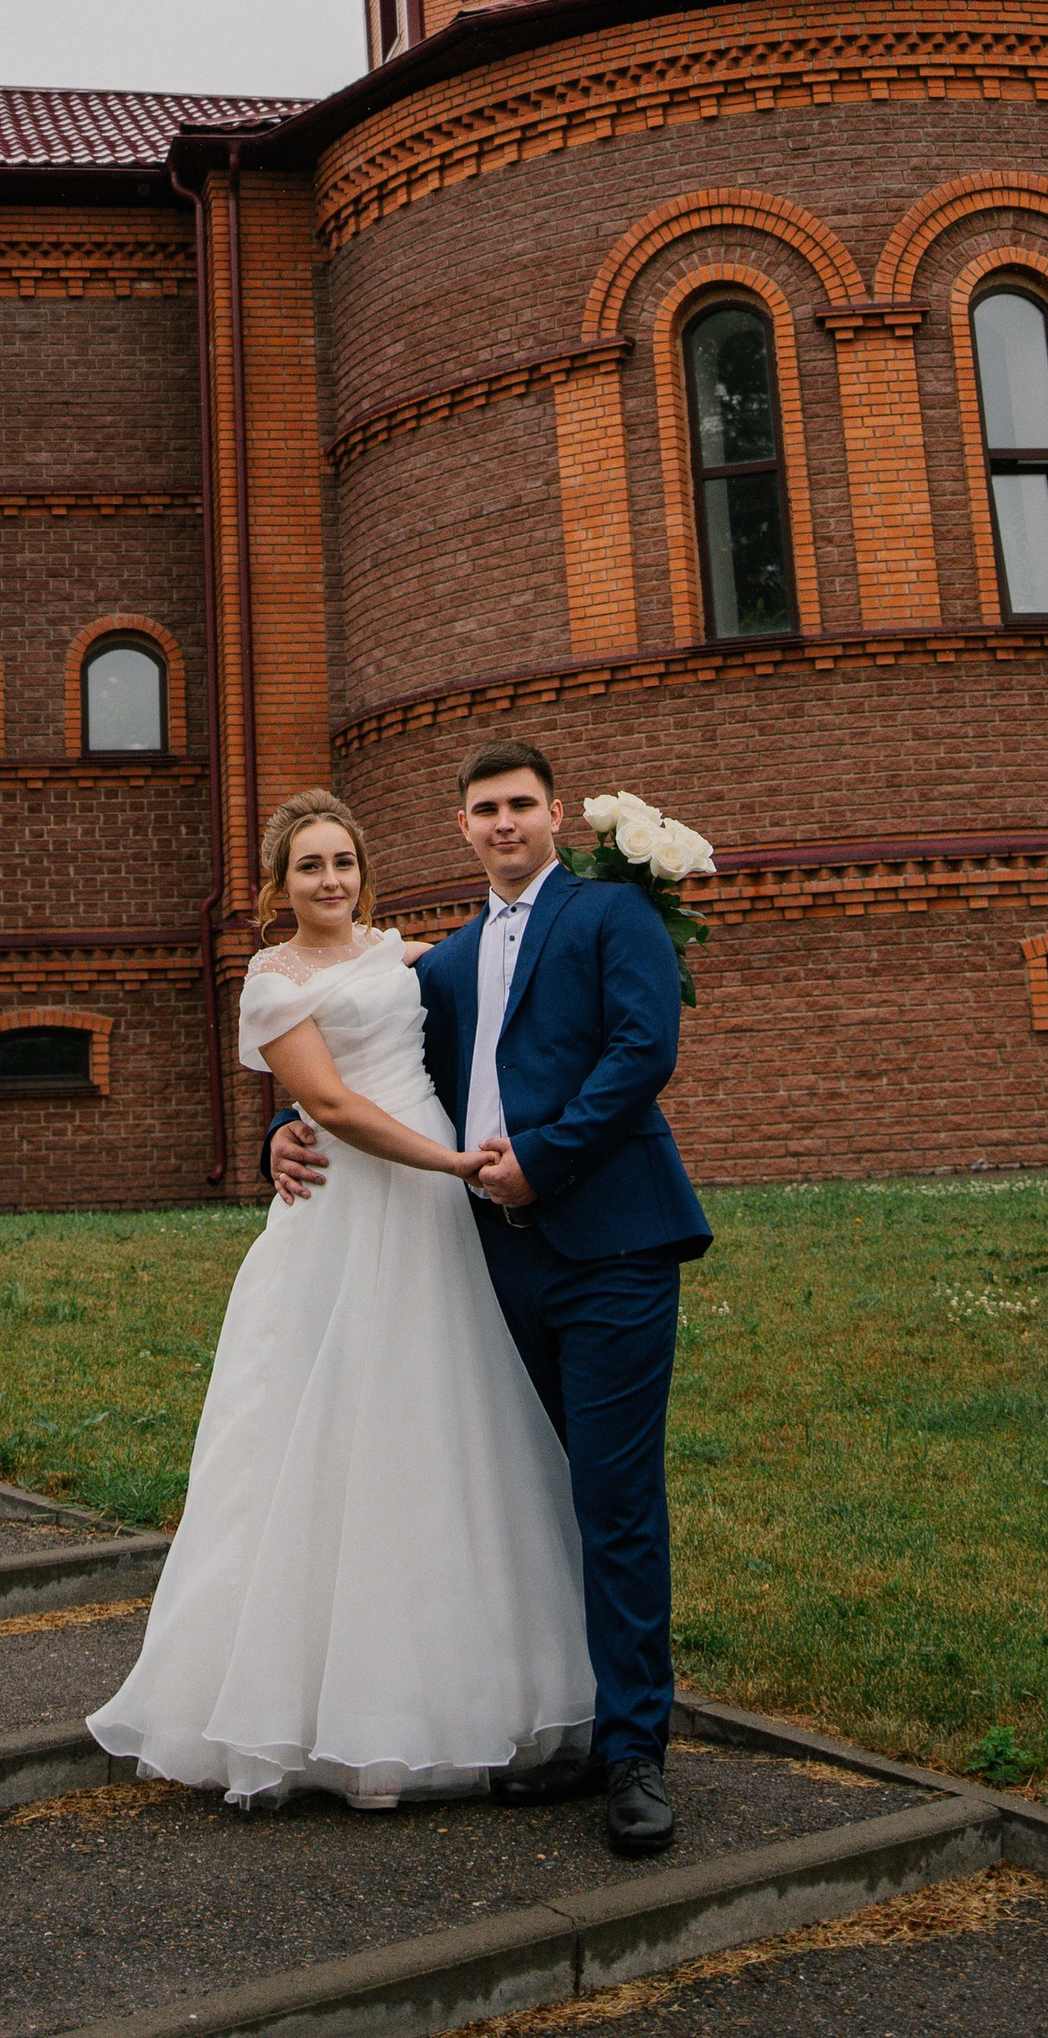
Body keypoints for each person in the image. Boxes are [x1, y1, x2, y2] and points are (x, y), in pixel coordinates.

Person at [88, 787, 593, 1811]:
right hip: (354, 1202)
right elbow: (326, 1101)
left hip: (428, 1222)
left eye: (344, 862)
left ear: (366, 870)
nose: (330, 879)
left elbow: (482, 1002)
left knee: (441, 1421)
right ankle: (303, 1698)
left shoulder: (405, 955)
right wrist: (449, 1158)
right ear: (281, 883)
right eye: (311, 865)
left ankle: (469, 1687)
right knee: (323, 1426)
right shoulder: (272, 978)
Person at [267, 741, 710, 1858]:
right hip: (491, 1257)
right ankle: (576, 1718)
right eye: (483, 808)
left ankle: (636, 1750)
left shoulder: (614, 917)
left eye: (519, 803)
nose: (503, 821)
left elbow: (641, 1049)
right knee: (532, 1488)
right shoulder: (447, 962)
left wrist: (545, 1157)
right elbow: (370, 1069)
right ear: (459, 827)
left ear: (556, 813)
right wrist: (290, 1128)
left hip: (611, 1243)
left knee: (612, 1495)